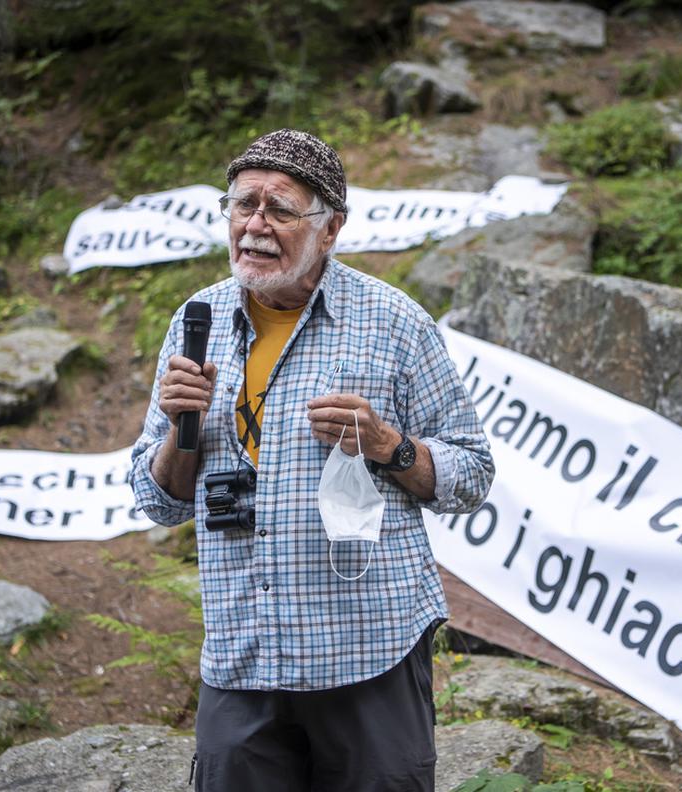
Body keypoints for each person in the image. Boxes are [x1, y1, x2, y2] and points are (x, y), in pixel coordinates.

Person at [129, 128, 495, 791]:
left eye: (280, 210)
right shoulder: (197, 319)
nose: (256, 225)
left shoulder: (395, 323)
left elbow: (470, 474)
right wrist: (179, 429)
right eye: (244, 205)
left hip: (368, 655)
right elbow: (157, 499)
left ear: (330, 229)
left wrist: (390, 446)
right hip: (245, 654)